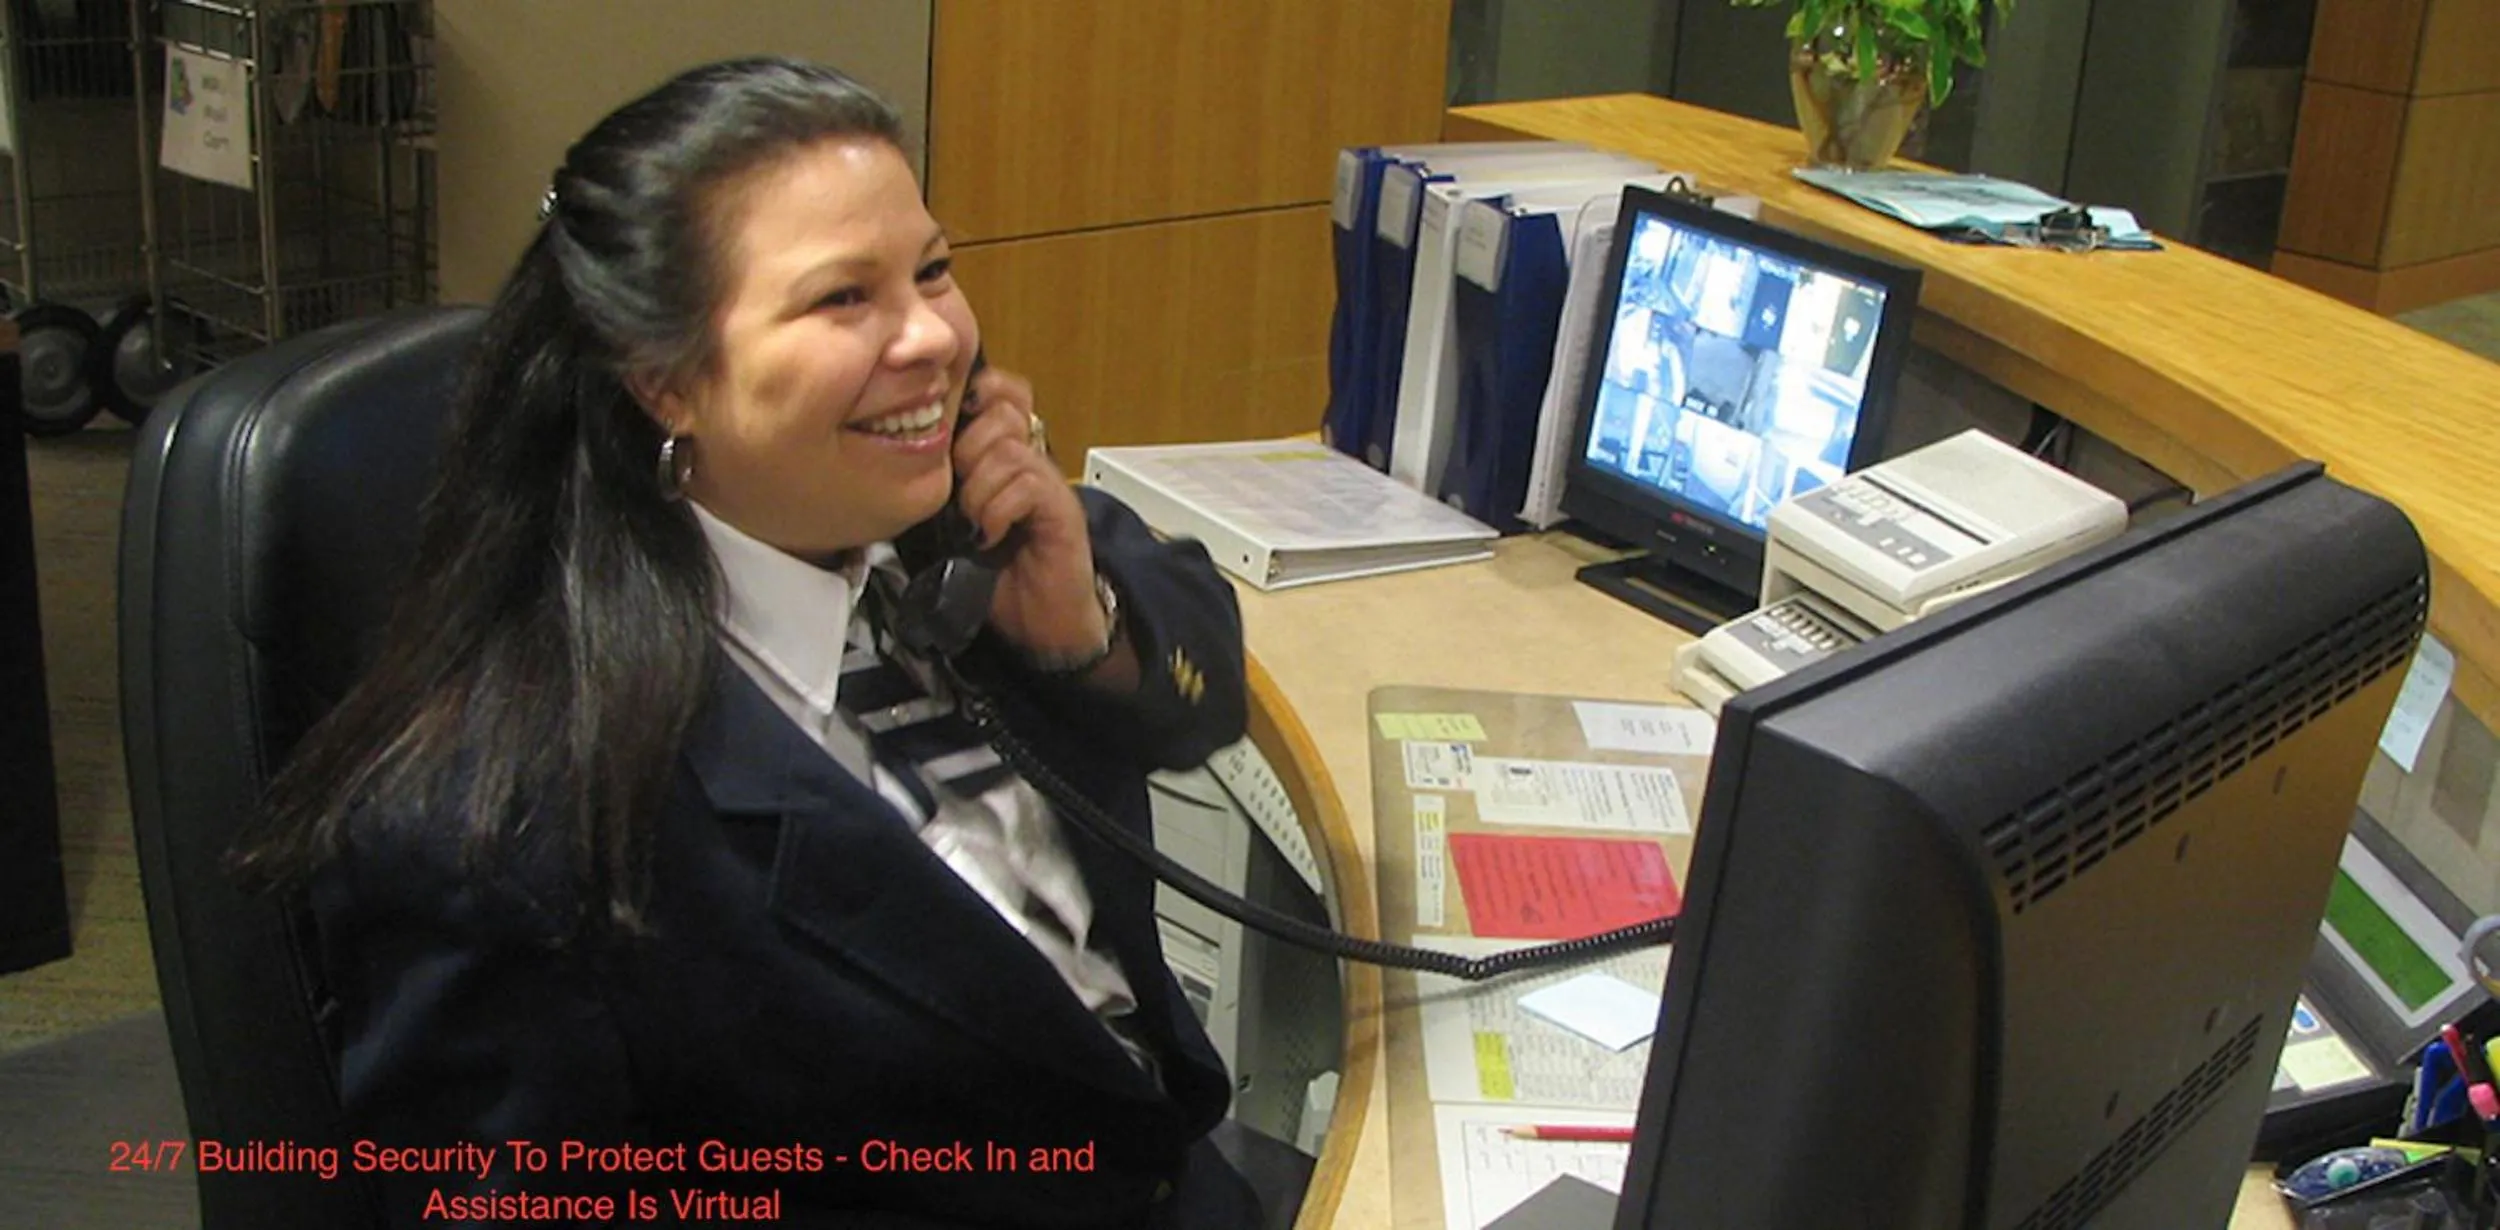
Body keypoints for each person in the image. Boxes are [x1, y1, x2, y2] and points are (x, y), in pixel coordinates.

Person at [239, 57, 1262, 1230]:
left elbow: (1202, 679)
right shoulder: (512, 821)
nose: (934, 335)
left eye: (932, 270)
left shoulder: (953, 529)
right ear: (666, 382)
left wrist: (1089, 635)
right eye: (844, 299)